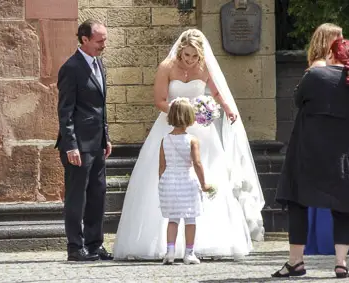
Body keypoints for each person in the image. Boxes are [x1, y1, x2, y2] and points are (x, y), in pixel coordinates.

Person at [113, 29, 265, 260]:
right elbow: (160, 101)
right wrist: (182, 113)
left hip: (201, 130)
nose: (190, 60)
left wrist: (227, 109)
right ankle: (162, 243)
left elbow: (216, 92)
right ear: (180, 50)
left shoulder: (205, 67)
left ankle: (207, 241)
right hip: (171, 124)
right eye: (186, 55)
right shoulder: (167, 67)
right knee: (162, 176)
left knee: (207, 171)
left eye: (194, 56)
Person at [273, 38, 349, 278]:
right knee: (343, 206)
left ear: (332, 55)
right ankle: (341, 263)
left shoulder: (315, 76)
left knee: (297, 201)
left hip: (311, 152)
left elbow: (298, 100)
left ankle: (295, 262)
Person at [304, 23, 349, 255]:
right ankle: (329, 241)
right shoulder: (321, 68)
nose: (343, 40)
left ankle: (329, 240)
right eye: (338, 37)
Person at [55, 19, 113, 261]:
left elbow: (100, 107)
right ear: (85, 40)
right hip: (78, 146)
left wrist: (106, 136)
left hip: (97, 144)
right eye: (99, 40)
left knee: (98, 195)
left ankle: (94, 244)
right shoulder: (71, 68)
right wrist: (70, 146)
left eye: (105, 40)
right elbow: (65, 111)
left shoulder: (100, 64)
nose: (104, 45)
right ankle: (75, 247)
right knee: (77, 198)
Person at [158, 97, 211, 265]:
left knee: (172, 219)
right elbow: (197, 163)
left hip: (169, 182)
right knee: (190, 219)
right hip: (187, 182)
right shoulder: (192, 140)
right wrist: (204, 184)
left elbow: (162, 166)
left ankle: (170, 251)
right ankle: (189, 253)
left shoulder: (165, 139)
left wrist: (162, 184)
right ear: (189, 117)